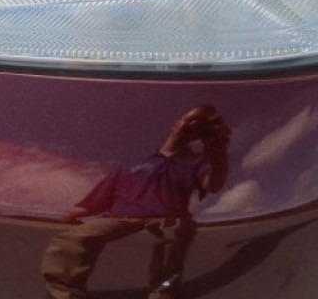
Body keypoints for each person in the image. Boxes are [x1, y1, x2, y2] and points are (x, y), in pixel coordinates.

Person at [42, 104, 231, 299]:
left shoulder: (197, 161)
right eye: (189, 119)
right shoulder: (132, 163)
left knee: (178, 233)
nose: (192, 124)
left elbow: (213, 185)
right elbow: (104, 194)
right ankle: (65, 293)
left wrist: (219, 148)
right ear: (175, 124)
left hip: (170, 216)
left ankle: (164, 290)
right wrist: (76, 213)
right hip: (121, 216)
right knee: (72, 238)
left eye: (198, 123)